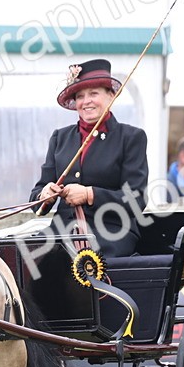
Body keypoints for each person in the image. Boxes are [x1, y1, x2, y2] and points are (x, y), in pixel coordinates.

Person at [32, 59, 148, 258]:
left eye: (94, 94)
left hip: (111, 233)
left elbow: (137, 199)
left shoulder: (131, 138)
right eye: (80, 96)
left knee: (81, 260)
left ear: (111, 96)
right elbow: (37, 195)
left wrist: (89, 194)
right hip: (62, 232)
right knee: (24, 256)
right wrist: (44, 195)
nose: (86, 101)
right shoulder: (60, 137)